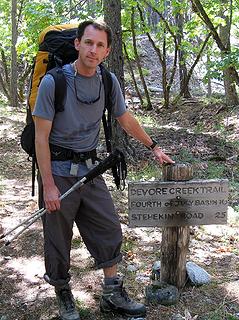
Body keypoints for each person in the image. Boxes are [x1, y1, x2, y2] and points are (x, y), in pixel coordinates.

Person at [33, 20, 174, 320]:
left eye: (99, 45)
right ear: (77, 44)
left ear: (107, 50)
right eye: (88, 42)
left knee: (108, 227)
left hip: (90, 170)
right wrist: (48, 185)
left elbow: (124, 118)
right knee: (57, 238)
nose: (93, 50)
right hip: (57, 171)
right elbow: (40, 138)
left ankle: (112, 293)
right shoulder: (54, 83)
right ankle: (62, 293)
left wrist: (154, 146)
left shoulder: (107, 81)